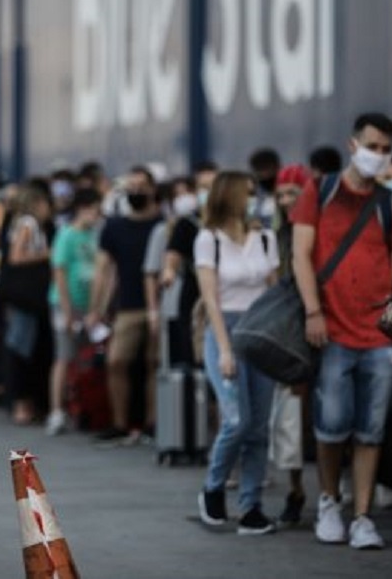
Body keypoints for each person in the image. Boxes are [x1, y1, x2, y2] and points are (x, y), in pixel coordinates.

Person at [292, 112, 392, 550]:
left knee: (370, 430)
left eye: (386, 149)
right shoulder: (319, 192)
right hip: (334, 331)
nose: (379, 156)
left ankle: (362, 516)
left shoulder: (391, 204)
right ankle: (329, 501)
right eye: (373, 146)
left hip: (379, 335)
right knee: (331, 426)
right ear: (352, 144)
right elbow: (300, 255)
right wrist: (312, 311)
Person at [194, 171, 280, 535]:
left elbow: (274, 292)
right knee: (236, 420)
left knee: (259, 426)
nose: (253, 199)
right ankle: (213, 487)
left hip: (261, 331)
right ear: (229, 196)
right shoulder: (207, 239)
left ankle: (251, 506)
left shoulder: (265, 238)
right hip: (224, 330)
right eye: (247, 193)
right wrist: (225, 349)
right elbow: (210, 298)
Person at [86, 166, 162, 443]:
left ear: (154, 189)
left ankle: (154, 422)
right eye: (131, 188)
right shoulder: (115, 226)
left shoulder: (164, 225)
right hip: (127, 304)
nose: (136, 193)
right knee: (116, 361)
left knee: (156, 363)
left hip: (160, 306)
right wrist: (96, 308)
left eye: (141, 187)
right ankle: (120, 421)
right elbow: (104, 270)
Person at [268, 164, 310, 525]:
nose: (284, 201)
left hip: (323, 326)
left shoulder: (318, 231)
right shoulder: (276, 236)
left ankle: (332, 491)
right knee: (291, 414)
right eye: (280, 195)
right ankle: (295, 489)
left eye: (291, 194)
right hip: (288, 334)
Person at [45, 187, 102, 435]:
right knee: (63, 356)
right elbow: (59, 272)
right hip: (65, 303)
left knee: (83, 359)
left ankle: (79, 406)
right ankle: (56, 411)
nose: (97, 216)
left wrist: (95, 308)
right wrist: (67, 311)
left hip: (88, 307)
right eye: (95, 210)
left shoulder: (94, 236)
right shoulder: (67, 235)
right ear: (83, 209)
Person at [2, 182, 54, 425]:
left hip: (28, 297)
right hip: (27, 297)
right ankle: (21, 402)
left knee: (27, 346)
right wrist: (46, 255)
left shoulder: (26, 224)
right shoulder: (28, 224)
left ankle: (27, 402)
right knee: (22, 347)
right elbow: (16, 256)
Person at [160, 162, 218, 367]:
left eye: (214, 186)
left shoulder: (232, 221)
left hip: (227, 293)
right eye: (203, 187)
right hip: (197, 294)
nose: (209, 192)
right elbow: (173, 254)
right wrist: (169, 272)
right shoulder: (188, 223)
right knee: (198, 353)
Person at [249, 148, 281, 228]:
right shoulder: (255, 192)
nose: (263, 174)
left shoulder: (287, 189)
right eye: (259, 169)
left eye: (266, 168)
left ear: (277, 167)